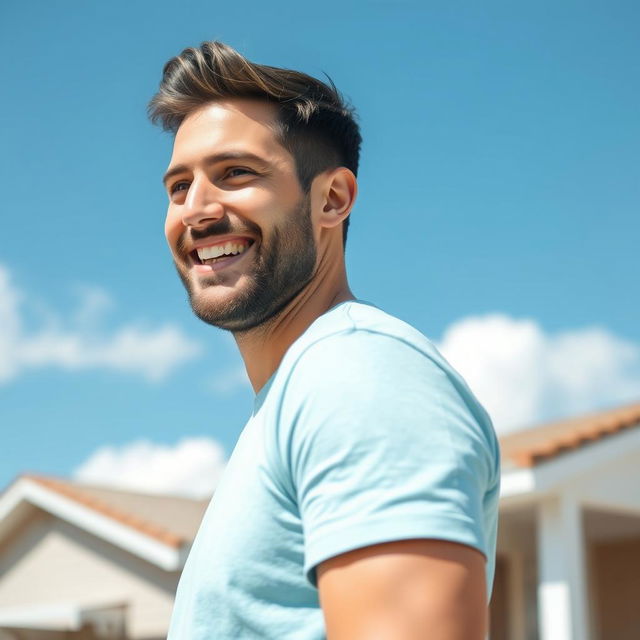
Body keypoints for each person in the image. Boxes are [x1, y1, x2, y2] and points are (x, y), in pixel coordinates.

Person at [148, 41, 500, 640]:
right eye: (179, 187)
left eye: (236, 173)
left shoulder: (357, 374)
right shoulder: (296, 397)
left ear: (331, 199)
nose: (196, 211)